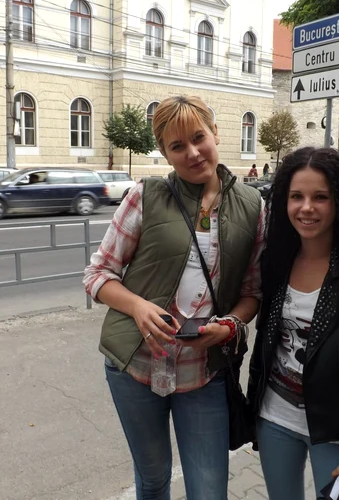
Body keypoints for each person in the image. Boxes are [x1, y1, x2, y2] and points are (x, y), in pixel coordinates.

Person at [83, 95, 265, 500]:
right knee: (153, 480)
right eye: (177, 146)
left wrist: (231, 325)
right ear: (165, 152)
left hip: (204, 371)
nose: (192, 153)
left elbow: (253, 292)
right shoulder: (145, 196)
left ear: (216, 133)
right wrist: (138, 306)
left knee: (209, 489)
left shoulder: (252, 206)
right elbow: (98, 274)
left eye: (199, 137)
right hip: (135, 364)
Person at [247, 147, 339, 500]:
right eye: (296, 196)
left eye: (320, 197)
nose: (306, 208)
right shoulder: (276, 260)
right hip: (275, 419)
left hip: (336, 430)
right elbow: (267, 343)